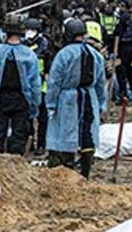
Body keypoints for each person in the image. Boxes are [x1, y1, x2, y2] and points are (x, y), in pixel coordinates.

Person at [46, 18, 107, 177]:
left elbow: (54, 82)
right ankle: (85, 171)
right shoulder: (95, 54)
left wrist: (51, 104)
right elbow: (101, 82)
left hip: (68, 100)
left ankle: (68, 168)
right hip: (89, 98)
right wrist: (101, 103)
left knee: (66, 133)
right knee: (87, 132)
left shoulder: (63, 55)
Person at [0, 13, 41, 156]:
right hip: (21, 100)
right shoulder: (29, 54)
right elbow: (35, 83)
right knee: (19, 135)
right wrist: (35, 103)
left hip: (0, 99)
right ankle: (16, 163)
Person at [24, 18, 52, 155]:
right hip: (26, 86)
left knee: (42, 118)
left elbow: (48, 65)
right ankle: (29, 141)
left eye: (32, 30)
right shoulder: (22, 44)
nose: (29, 33)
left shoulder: (44, 44)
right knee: (27, 117)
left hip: (41, 87)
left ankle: (41, 144)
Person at [113, 0, 132, 105]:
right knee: (130, 74)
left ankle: (124, 96)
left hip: (125, 48)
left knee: (122, 74)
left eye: (122, 6)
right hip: (130, 48)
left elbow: (118, 33)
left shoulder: (125, 18)